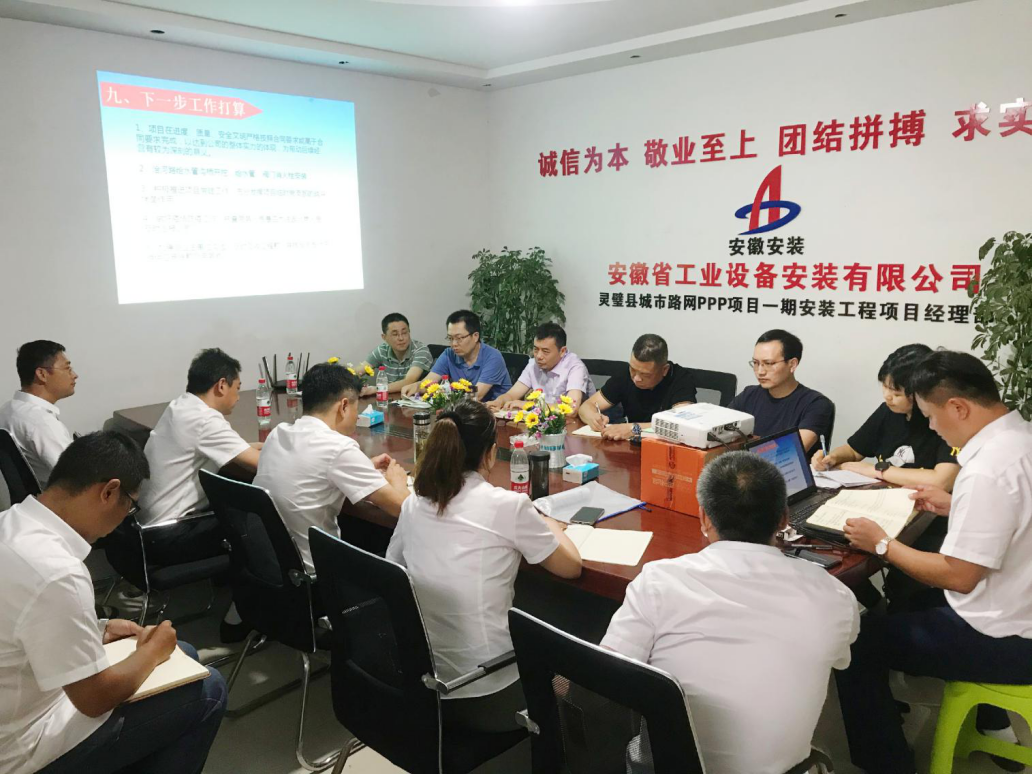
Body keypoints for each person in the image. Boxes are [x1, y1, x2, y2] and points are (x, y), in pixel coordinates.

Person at [601, 451, 859, 774]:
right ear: (783, 519)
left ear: (704, 518)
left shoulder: (657, 582)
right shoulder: (834, 596)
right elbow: (840, 658)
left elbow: (607, 678)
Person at [836, 351, 1032, 774]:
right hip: (1019, 607)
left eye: (930, 416)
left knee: (854, 643)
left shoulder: (987, 469)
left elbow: (958, 577)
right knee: (909, 603)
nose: (931, 427)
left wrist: (881, 543)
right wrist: (955, 504)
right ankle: (990, 724)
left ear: (958, 407)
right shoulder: (1020, 439)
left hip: (1009, 637)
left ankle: (887, 764)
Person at [0, 432, 227, 774]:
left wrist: (98, 629)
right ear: (108, 492)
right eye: (130, 505)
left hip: (18, 698)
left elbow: (22, 619)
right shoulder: (57, 571)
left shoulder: (11, 523)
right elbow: (94, 699)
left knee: (185, 654)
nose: (126, 517)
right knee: (210, 689)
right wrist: (152, 652)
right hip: (23, 747)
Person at [386, 400, 581, 732]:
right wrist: (547, 521)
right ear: (491, 453)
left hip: (424, 680)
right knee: (583, 626)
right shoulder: (507, 506)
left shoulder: (415, 503)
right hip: (490, 691)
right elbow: (571, 566)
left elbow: (393, 568)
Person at [815, 344, 959, 612]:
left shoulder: (941, 420)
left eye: (896, 392)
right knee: (835, 549)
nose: (887, 397)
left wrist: (876, 470)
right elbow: (854, 450)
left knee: (900, 586)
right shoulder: (888, 412)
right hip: (882, 509)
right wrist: (832, 457)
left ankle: (891, 618)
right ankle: (877, 610)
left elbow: (941, 481)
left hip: (927, 523)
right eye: (884, 387)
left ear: (919, 393)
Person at [255, 363, 410, 574]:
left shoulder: (278, 433)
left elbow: (315, 467)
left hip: (271, 561)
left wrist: (362, 466)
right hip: (318, 571)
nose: (357, 416)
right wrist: (398, 481)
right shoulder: (338, 448)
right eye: (356, 408)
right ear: (343, 406)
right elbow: (401, 509)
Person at [729, 329, 834, 458]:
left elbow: (787, 454)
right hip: (744, 466)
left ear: (792, 364)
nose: (760, 371)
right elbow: (718, 429)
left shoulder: (816, 404)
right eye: (756, 363)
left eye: (768, 363)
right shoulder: (749, 395)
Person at [576, 333, 696, 441]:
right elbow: (586, 406)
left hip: (666, 448)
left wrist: (634, 428)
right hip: (632, 446)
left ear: (664, 370)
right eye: (633, 369)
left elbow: (681, 423)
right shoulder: (625, 375)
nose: (636, 378)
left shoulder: (681, 379)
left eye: (645, 375)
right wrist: (593, 417)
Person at [0, 340, 77, 487]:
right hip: (56, 496)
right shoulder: (41, 423)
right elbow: (77, 477)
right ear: (42, 374)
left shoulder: (8, 409)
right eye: (67, 368)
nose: (74, 375)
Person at [400, 309, 512, 401]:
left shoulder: (493, 357)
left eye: (459, 338)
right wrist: (415, 387)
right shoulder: (449, 354)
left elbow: (475, 396)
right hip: (462, 411)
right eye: (450, 338)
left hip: (496, 415)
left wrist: (442, 395)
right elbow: (428, 383)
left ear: (475, 336)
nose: (453, 344)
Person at [485, 322, 595, 411]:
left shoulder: (575, 367)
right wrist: (499, 401)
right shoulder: (533, 364)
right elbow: (512, 394)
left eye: (545, 351)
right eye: (536, 349)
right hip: (543, 422)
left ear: (562, 351)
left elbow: (571, 409)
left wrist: (529, 405)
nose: (538, 356)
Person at [359, 312, 433, 397]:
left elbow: (409, 381)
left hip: (416, 400)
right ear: (384, 337)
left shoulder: (421, 350)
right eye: (395, 334)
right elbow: (358, 371)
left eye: (404, 333)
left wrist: (375, 389)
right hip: (391, 400)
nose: (401, 338)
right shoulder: (382, 350)